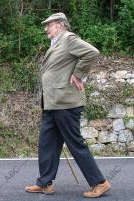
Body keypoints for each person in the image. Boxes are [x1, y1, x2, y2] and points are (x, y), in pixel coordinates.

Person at [25, 13, 111, 198]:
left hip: (65, 103)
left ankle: (100, 182)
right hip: (52, 103)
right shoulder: (56, 43)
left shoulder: (68, 39)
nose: (46, 28)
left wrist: (79, 74)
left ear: (61, 25)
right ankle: (45, 183)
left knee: (75, 144)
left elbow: (92, 52)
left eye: (50, 25)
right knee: (47, 144)